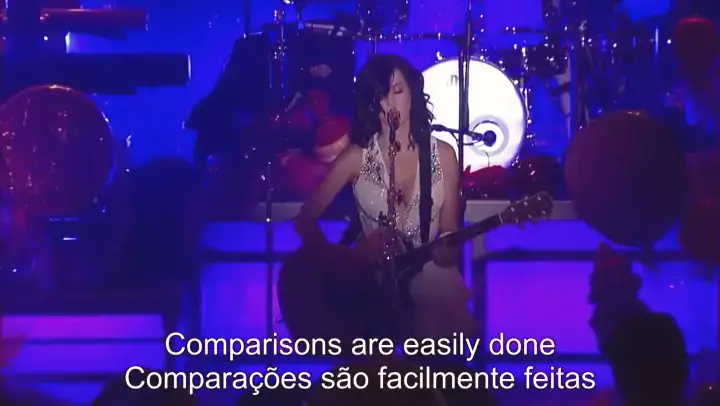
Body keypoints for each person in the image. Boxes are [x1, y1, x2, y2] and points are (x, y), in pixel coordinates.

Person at [294, 53, 476, 340]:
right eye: (381, 95)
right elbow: (305, 220)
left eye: (398, 91)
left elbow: (450, 227)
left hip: (429, 284)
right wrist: (341, 260)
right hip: (372, 286)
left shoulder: (443, 155)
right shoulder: (356, 157)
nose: (390, 102)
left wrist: (448, 250)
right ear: (372, 103)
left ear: (413, 94)